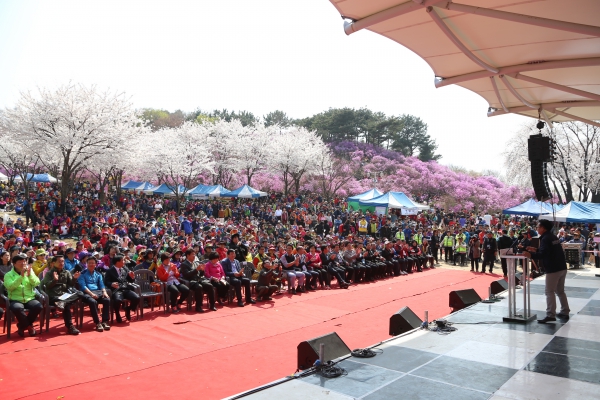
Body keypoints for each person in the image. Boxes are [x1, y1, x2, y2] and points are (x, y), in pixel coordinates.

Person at [522, 219, 570, 324]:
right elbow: (549, 251)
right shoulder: (552, 236)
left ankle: (550, 315)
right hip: (562, 267)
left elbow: (543, 255)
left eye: (538, 227)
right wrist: (536, 250)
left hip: (553, 269)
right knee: (560, 291)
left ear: (543, 228)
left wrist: (530, 255)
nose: (537, 228)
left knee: (549, 291)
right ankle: (565, 311)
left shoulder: (545, 238)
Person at [4, 253, 43, 337]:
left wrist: (29, 276)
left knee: (38, 306)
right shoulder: (8, 275)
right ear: (14, 263)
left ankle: (21, 326)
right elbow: (10, 287)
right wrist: (21, 277)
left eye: (25, 261)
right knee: (17, 308)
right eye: (20, 262)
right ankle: (29, 327)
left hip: (29, 298)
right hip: (15, 298)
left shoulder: (30, 271)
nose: (23, 263)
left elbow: (37, 283)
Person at [41, 254, 82, 335]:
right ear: (53, 263)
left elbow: (70, 284)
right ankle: (70, 327)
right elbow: (47, 286)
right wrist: (55, 280)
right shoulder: (49, 273)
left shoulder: (66, 272)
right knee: (66, 305)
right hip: (54, 297)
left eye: (63, 261)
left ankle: (63, 302)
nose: (61, 263)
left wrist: (74, 278)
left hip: (64, 296)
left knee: (80, 293)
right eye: (59, 261)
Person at [104, 253, 140, 323]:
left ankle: (128, 309)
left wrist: (132, 277)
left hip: (125, 288)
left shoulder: (124, 269)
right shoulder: (109, 271)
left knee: (136, 298)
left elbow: (130, 280)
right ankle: (117, 313)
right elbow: (106, 282)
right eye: (123, 260)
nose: (124, 262)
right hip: (116, 290)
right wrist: (111, 284)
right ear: (118, 262)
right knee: (117, 300)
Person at [77, 256, 111, 331]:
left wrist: (104, 292)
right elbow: (83, 286)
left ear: (96, 264)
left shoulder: (98, 274)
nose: (91, 264)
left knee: (107, 299)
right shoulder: (82, 274)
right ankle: (97, 322)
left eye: (93, 263)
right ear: (86, 264)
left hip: (98, 292)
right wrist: (91, 294)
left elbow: (101, 285)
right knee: (92, 301)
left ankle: (105, 321)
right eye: (89, 263)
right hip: (86, 293)